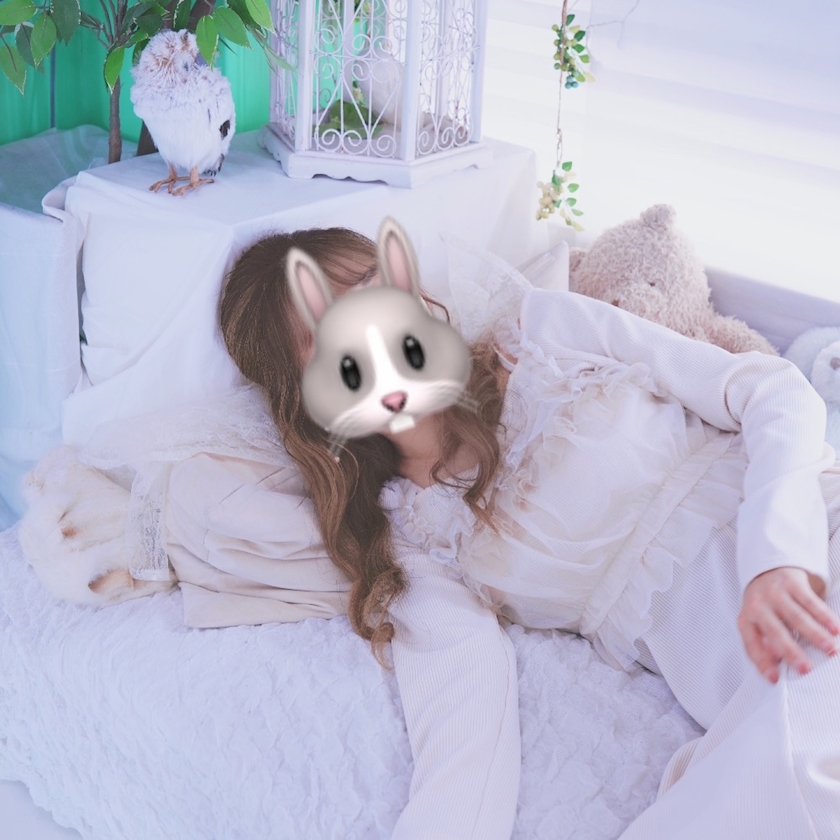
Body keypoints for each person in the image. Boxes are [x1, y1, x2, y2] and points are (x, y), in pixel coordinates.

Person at [213, 225, 840, 840]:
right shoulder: (415, 535)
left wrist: (778, 555)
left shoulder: (544, 332)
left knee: (788, 768)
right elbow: (466, 725)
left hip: (819, 537)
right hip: (768, 688)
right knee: (773, 782)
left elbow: (770, 390)